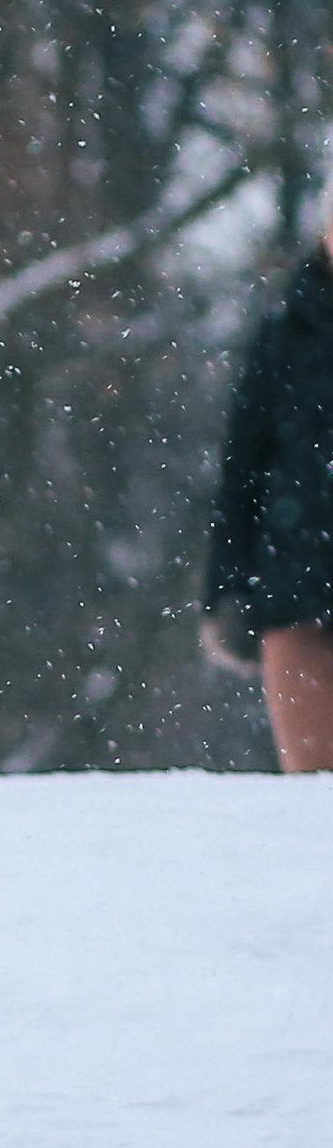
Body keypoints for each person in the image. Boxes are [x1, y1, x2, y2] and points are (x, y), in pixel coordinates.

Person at [205, 212, 333, 773]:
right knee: (312, 790)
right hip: (295, 594)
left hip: (294, 579)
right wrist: (225, 590)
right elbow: (242, 471)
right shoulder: (283, 334)